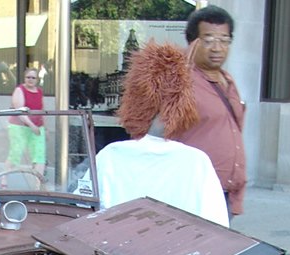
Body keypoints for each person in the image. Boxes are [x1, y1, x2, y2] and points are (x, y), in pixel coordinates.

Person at [98, 41, 228, 226]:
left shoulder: (110, 156)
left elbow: (84, 213)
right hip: (181, 251)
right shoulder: (197, 163)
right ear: (182, 106)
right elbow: (218, 228)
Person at [165, 5, 246, 220]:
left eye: (224, 40)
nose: (217, 48)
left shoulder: (227, 80)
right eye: (209, 40)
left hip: (226, 192)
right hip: (195, 192)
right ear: (193, 42)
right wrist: (181, 65)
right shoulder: (182, 81)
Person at [5, 67, 46, 184]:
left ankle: (38, 184)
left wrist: (44, 128)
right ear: (24, 78)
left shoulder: (39, 92)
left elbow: (42, 110)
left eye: (33, 78)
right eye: (28, 77)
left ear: (37, 79)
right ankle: (4, 179)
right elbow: (20, 111)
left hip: (38, 127)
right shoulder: (19, 90)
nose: (30, 80)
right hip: (19, 127)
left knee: (39, 156)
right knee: (16, 153)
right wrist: (31, 125)